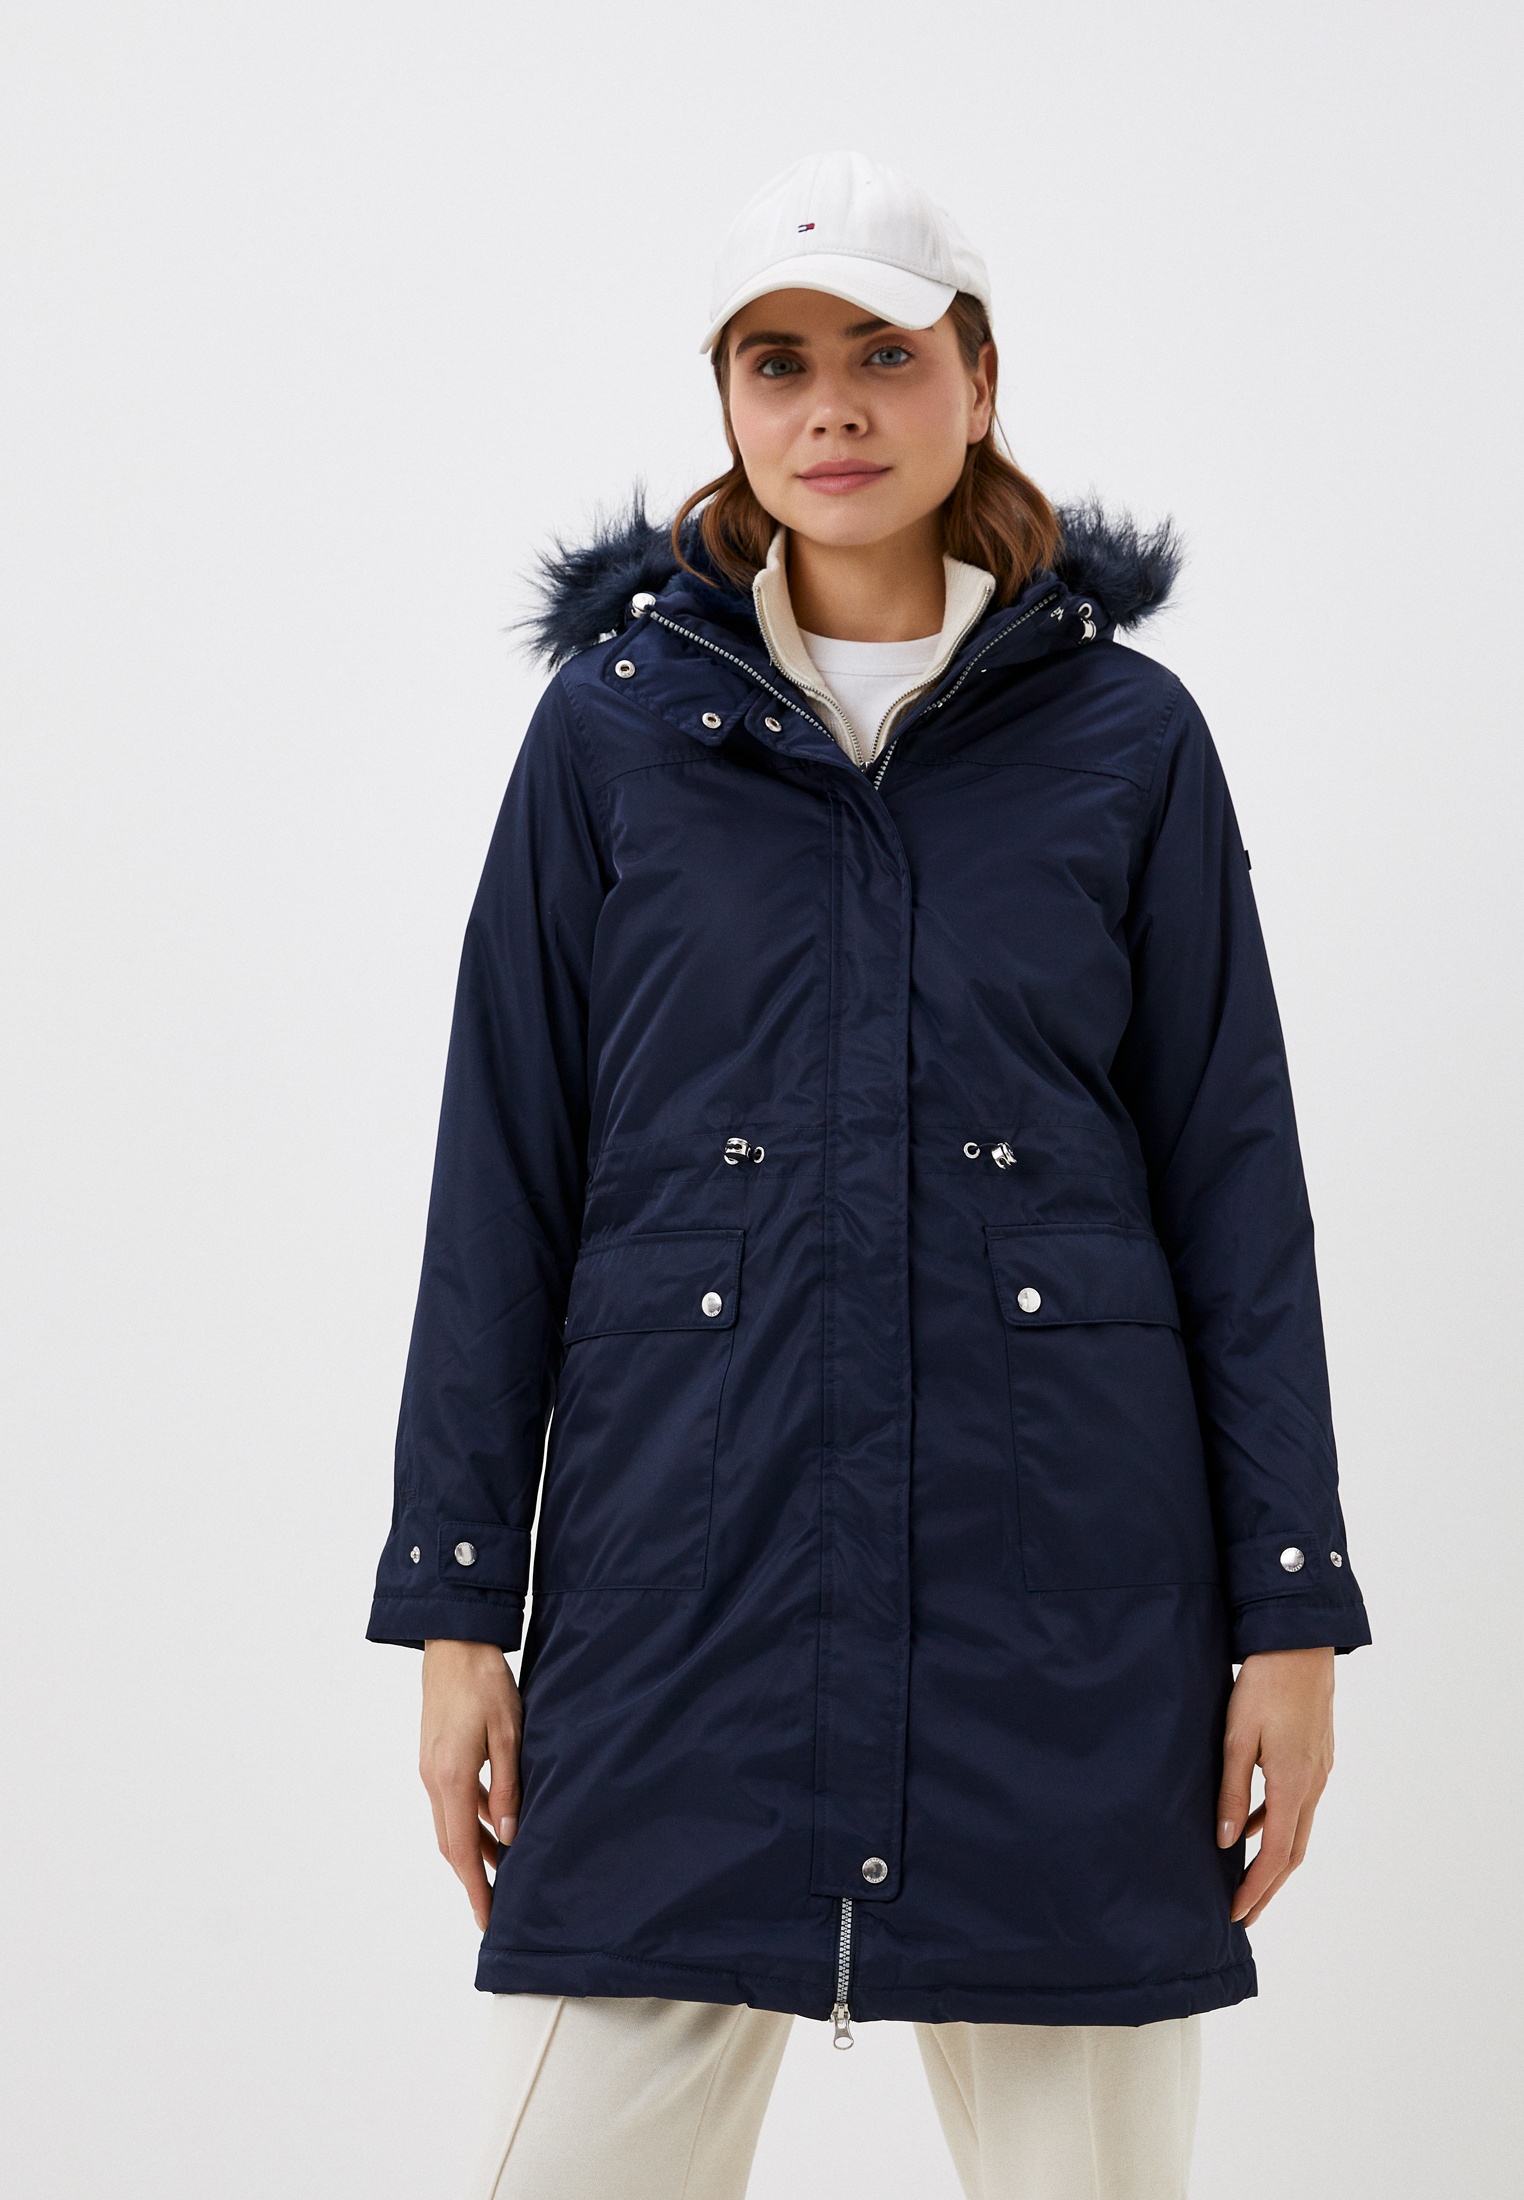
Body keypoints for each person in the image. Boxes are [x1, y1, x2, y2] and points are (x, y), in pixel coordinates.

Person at [367, 149, 1370, 2200]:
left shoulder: (1129, 740)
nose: (832, 407)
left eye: (885, 356)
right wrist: (460, 1606)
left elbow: (1233, 1184)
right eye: (778, 362)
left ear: (978, 385)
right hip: (680, 1595)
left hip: (1064, 1609)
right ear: (728, 403)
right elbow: (503, 1176)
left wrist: (1291, 1613)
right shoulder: (611, 737)